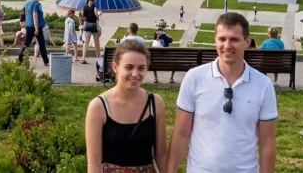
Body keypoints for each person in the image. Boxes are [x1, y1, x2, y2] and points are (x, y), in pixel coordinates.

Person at [166, 12, 277, 173]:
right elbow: (181, 134)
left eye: (234, 39)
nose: (227, 45)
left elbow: (267, 142)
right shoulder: (194, 78)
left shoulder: (263, 85)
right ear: (215, 40)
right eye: (222, 39)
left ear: (247, 41)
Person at [85, 40, 168, 173]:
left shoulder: (155, 103)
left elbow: (161, 154)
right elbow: (94, 164)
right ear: (115, 67)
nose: (135, 74)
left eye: (141, 68)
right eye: (129, 67)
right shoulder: (98, 107)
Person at [20, 0, 49, 67]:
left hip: (28, 25)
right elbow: (35, 15)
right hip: (37, 26)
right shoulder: (36, 4)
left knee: (26, 43)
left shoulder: (27, 2)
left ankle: (20, 59)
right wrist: (36, 28)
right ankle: (46, 61)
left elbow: (24, 12)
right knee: (42, 43)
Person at [80, 0, 103, 64]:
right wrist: (99, 14)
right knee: (97, 42)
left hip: (86, 25)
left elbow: (82, 16)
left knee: (86, 43)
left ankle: (83, 58)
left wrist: (82, 24)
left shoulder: (84, 7)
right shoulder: (94, 7)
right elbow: (97, 16)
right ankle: (98, 57)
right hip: (93, 25)